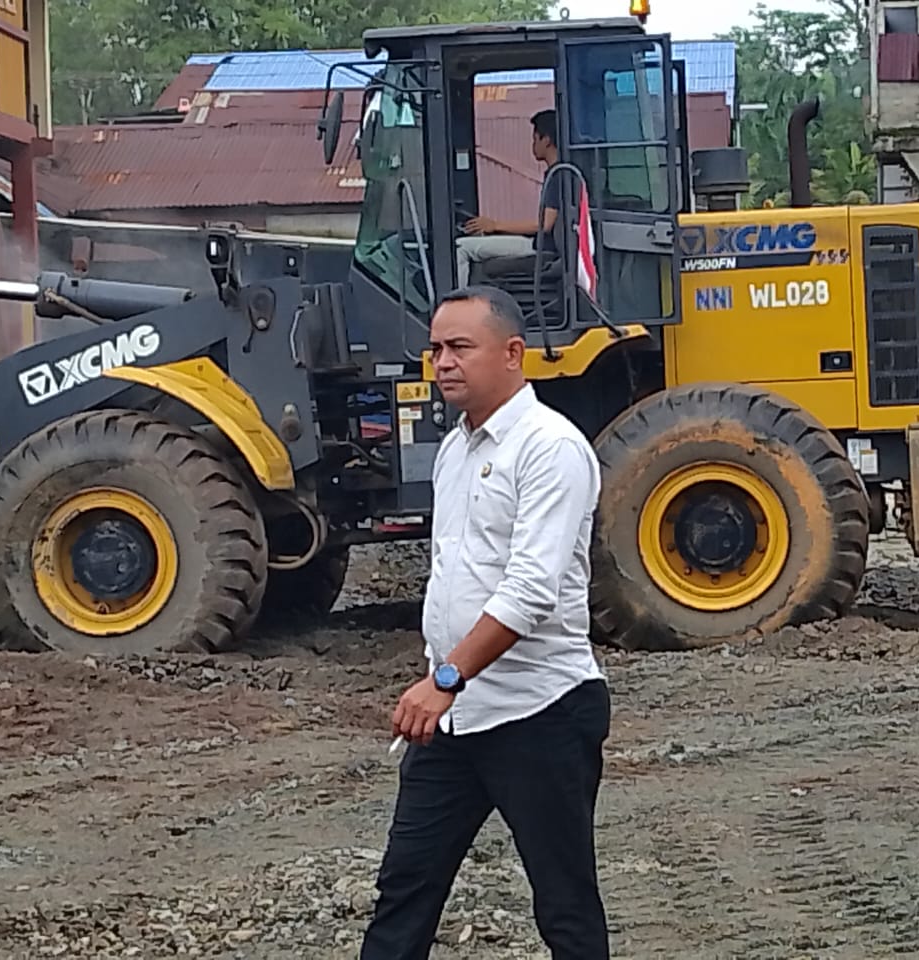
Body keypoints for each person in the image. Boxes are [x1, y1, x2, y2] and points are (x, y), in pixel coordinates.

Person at [358, 284, 612, 960]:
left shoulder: (550, 448)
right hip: (455, 723)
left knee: (565, 904)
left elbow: (530, 591)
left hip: (540, 712)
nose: (443, 362)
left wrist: (445, 678)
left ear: (512, 353)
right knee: (404, 890)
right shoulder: (455, 450)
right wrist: (445, 684)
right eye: (436, 348)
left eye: (460, 347)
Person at [455, 109, 566, 286]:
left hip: (539, 246)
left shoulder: (557, 175)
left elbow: (545, 225)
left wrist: (495, 225)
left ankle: (457, 301)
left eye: (534, 139)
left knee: (460, 248)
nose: (532, 145)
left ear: (546, 140)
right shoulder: (558, 173)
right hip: (538, 243)